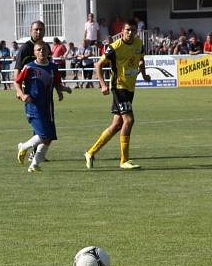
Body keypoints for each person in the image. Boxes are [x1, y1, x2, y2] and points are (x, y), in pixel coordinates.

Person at [84, 21, 150, 170]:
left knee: (116, 125)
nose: (130, 33)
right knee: (129, 120)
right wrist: (102, 84)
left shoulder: (139, 44)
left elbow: (141, 60)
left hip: (129, 88)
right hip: (118, 87)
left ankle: (90, 152)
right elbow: (98, 65)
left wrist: (144, 74)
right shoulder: (115, 47)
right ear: (122, 30)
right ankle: (124, 160)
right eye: (127, 30)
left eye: (133, 30)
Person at [15, 41, 71, 172]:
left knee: (49, 138)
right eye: (38, 50)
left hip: (48, 107)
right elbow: (17, 82)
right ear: (34, 53)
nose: (41, 52)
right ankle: (23, 147)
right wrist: (22, 95)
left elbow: (57, 83)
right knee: (44, 135)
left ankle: (34, 165)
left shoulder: (53, 67)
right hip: (33, 106)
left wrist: (63, 90)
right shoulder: (29, 67)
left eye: (44, 49)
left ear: (48, 51)